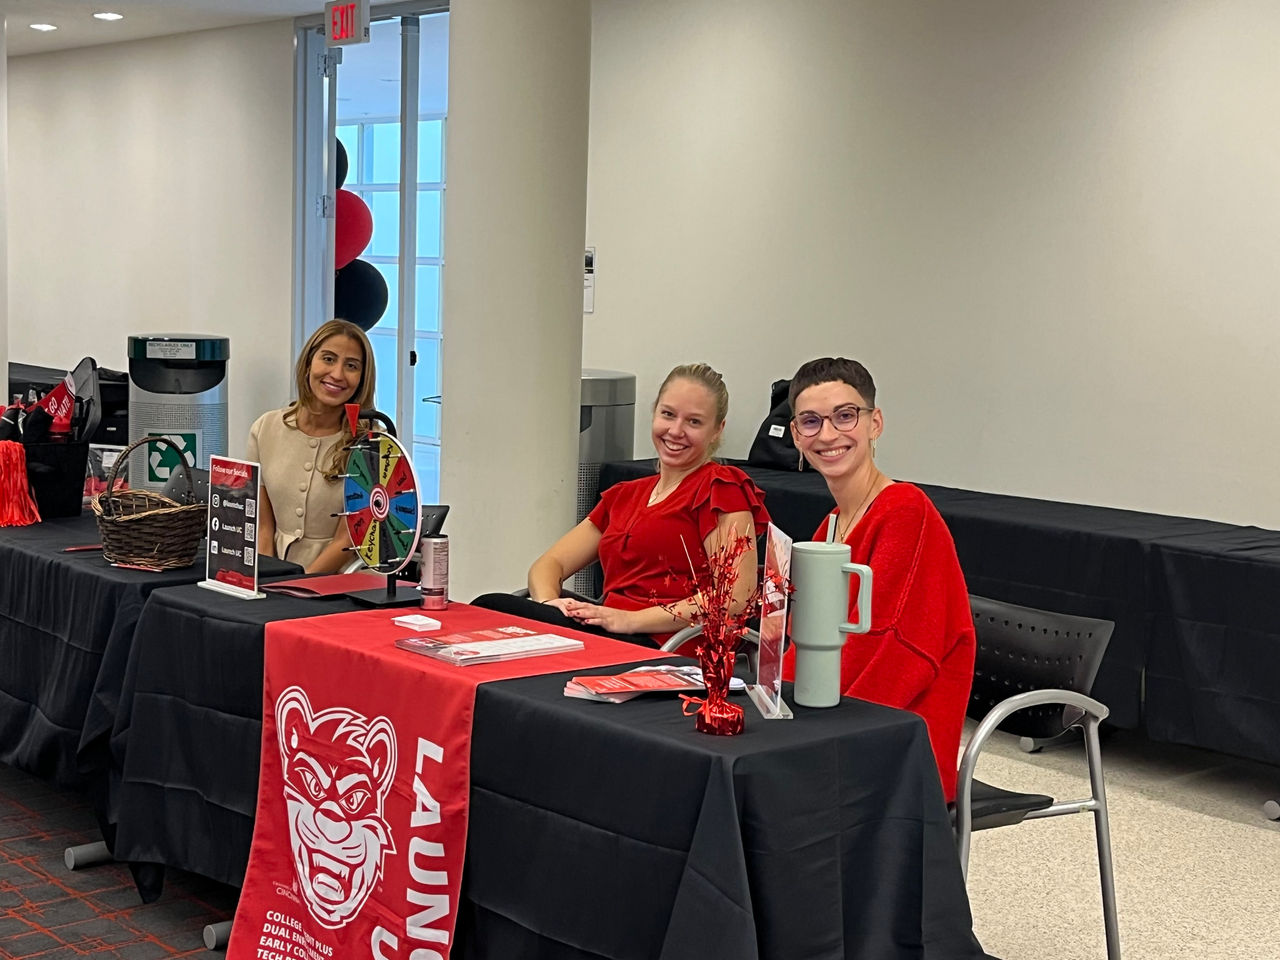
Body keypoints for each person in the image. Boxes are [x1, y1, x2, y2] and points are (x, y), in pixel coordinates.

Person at [782, 357, 974, 802]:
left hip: (893, 747)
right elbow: (804, 647)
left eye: (845, 416)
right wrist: (773, 708)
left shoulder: (905, 511)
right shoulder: (830, 526)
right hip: (834, 726)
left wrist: (806, 734)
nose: (827, 435)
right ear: (795, 435)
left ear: (875, 423)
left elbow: (895, 657)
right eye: (811, 422)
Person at [474, 363, 769, 645]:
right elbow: (549, 564)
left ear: (717, 430)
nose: (676, 431)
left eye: (694, 422)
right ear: (654, 414)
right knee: (489, 611)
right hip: (608, 631)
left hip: (663, 642)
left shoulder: (721, 487)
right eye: (668, 414)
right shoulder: (625, 495)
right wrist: (551, 604)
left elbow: (733, 597)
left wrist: (630, 620)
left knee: (489, 609)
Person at [247, 319, 376, 574]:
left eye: (351, 366)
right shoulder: (265, 428)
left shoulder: (372, 444)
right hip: (275, 576)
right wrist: (266, 579)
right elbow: (263, 527)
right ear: (308, 364)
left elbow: (347, 540)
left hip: (341, 582)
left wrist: (301, 586)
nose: (337, 374)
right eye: (328, 359)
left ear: (362, 379)